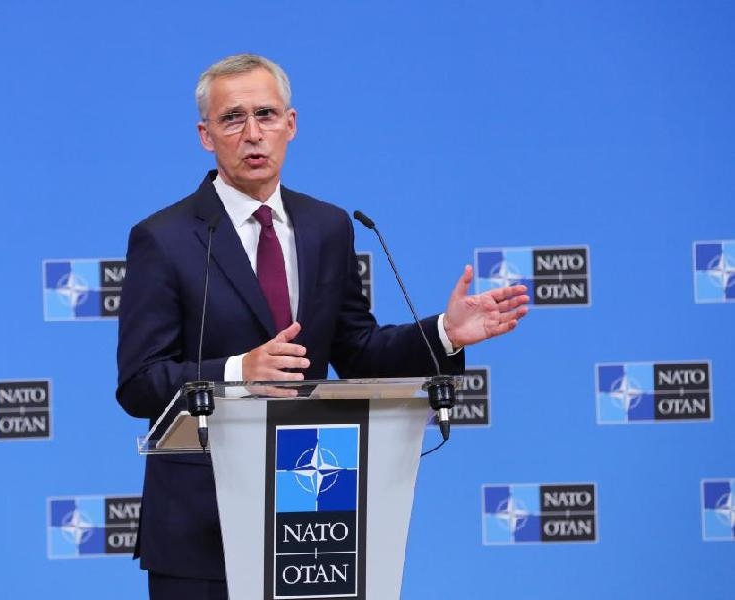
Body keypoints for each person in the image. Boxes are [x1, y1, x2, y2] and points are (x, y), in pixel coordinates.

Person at [116, 54, 529, 600]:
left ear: (290, 124)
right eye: (232, 118)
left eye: (266, 114)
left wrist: (445, 334)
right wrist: (238, 371)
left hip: (312, 516)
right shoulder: (165, 238)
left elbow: (358, 351)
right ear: (205, 136)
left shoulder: (327, 227)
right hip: (201, 526)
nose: (252, 133)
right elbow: (140, 382)